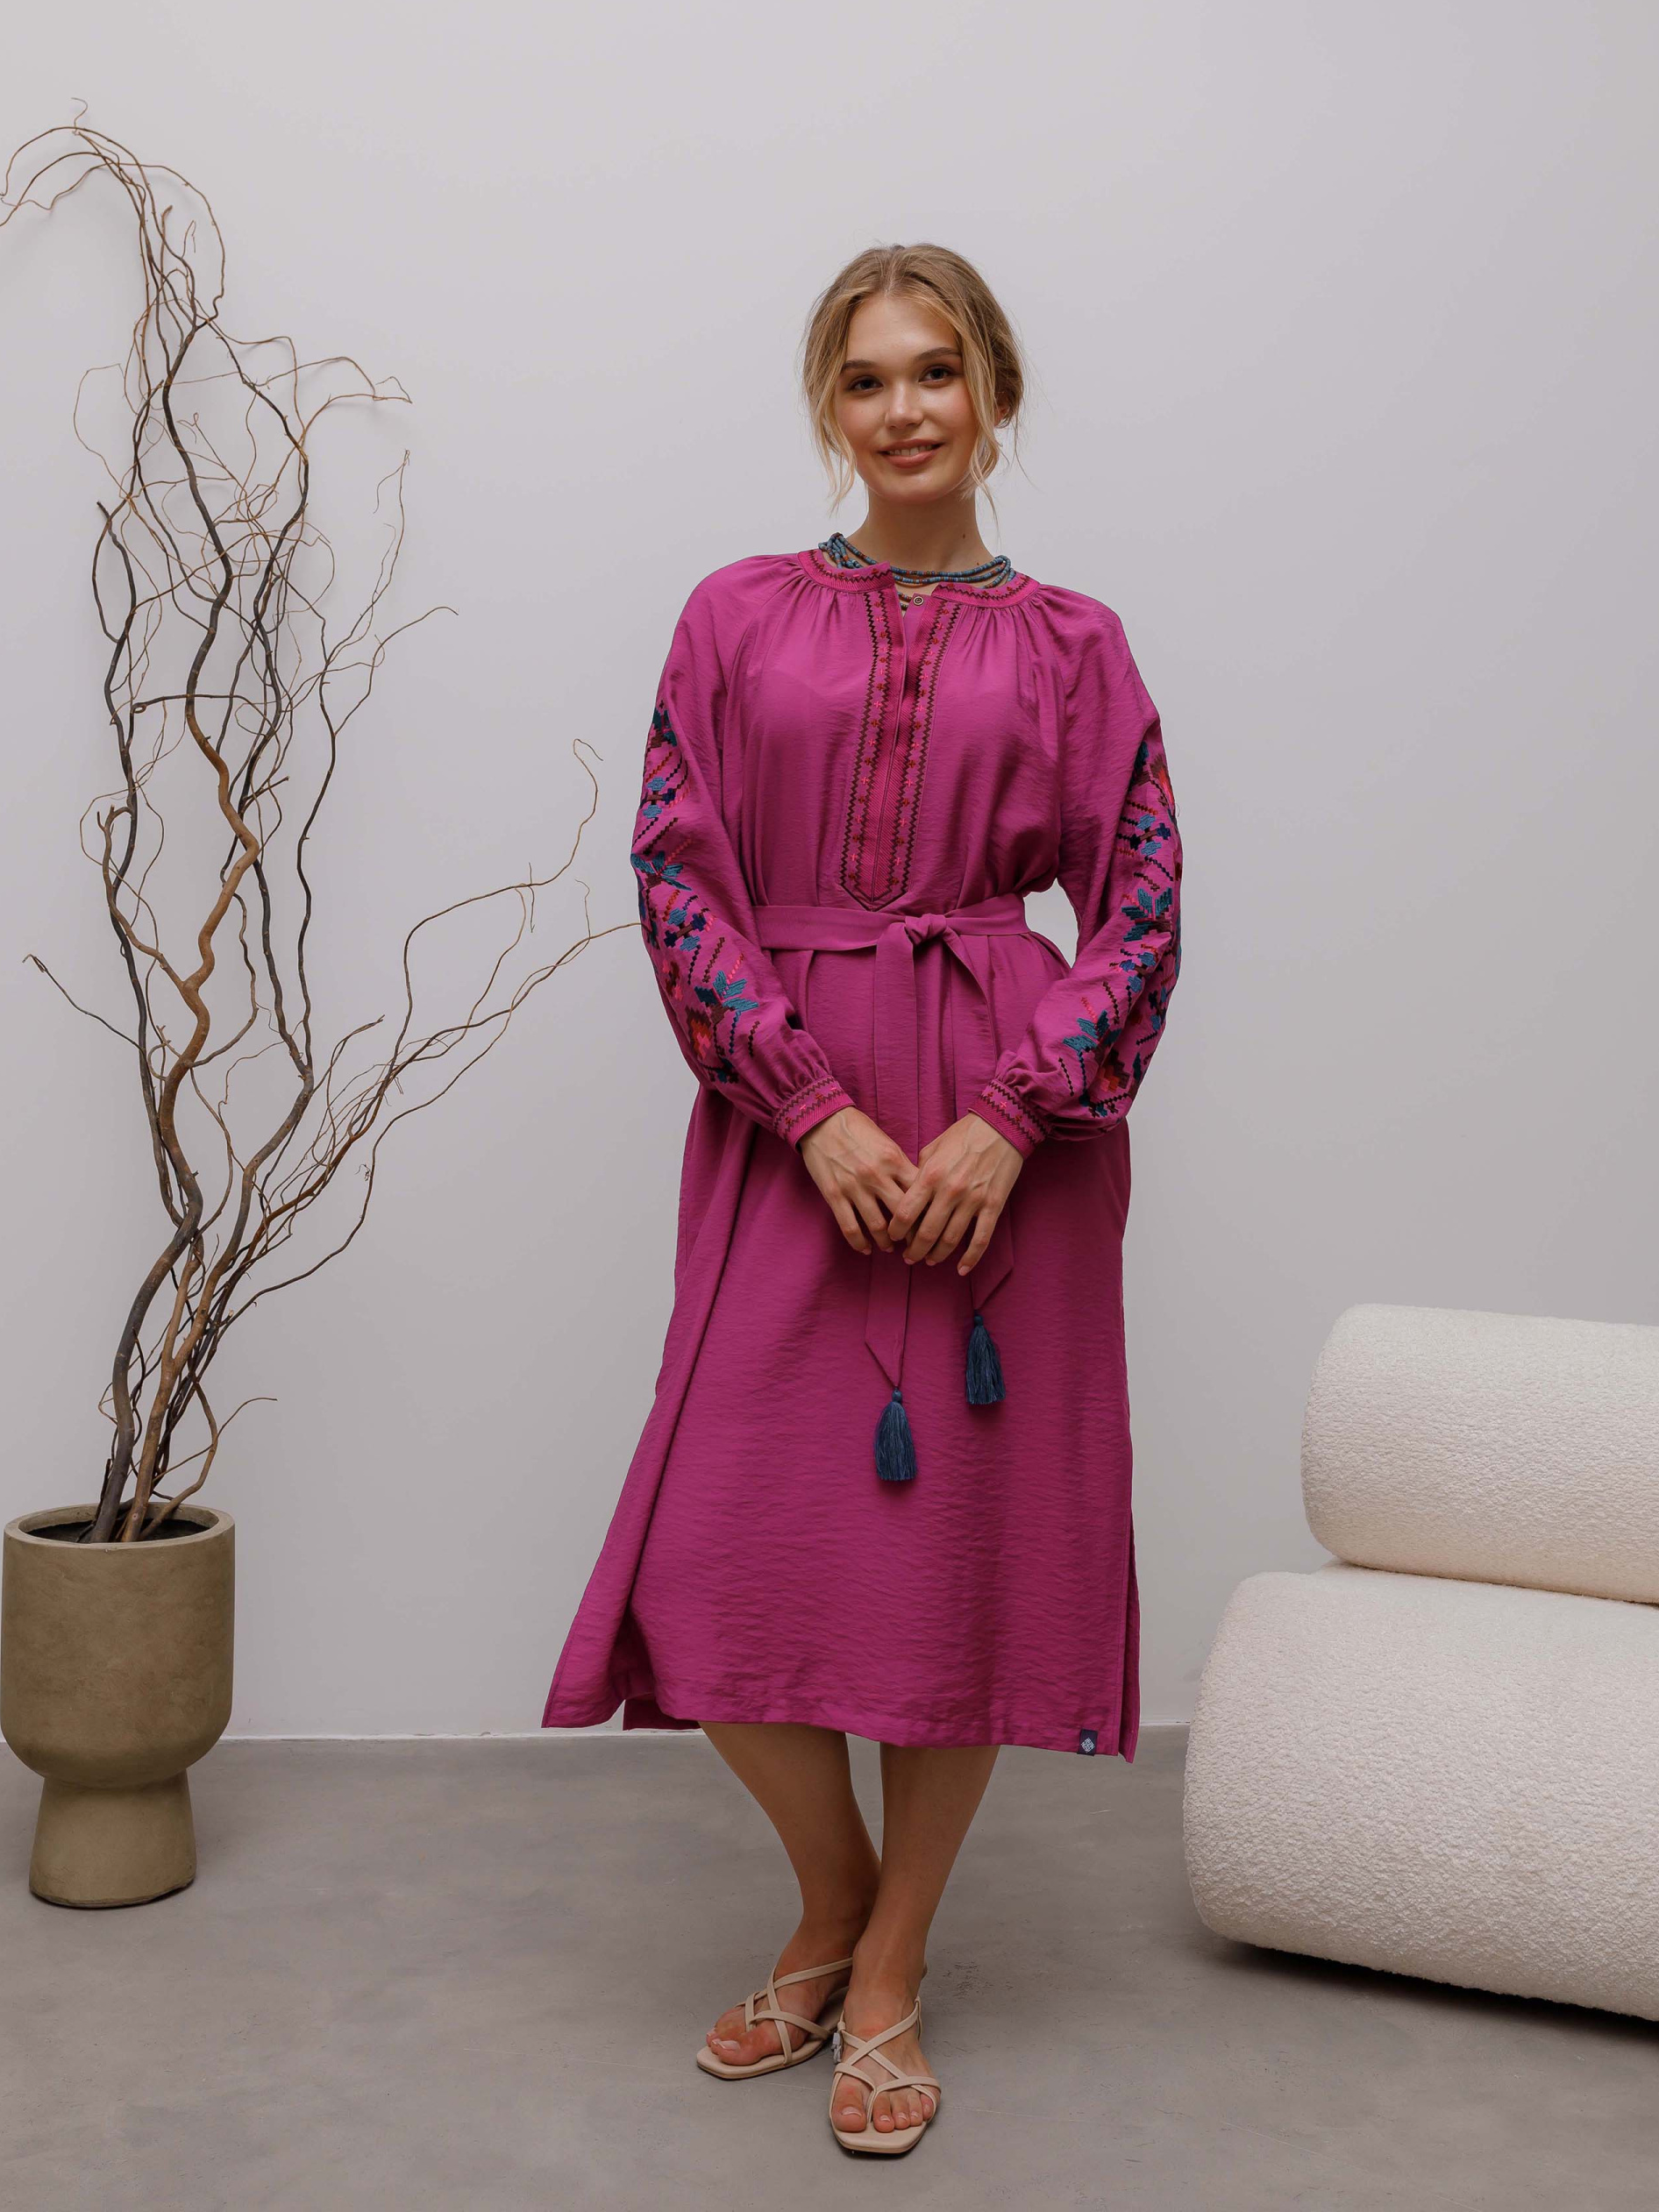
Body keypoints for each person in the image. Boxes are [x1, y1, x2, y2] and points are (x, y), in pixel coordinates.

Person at [542, 242, 1184, 2156]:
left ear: (995, 393)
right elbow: (676, 878)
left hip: (1006, 1134)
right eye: (864, 377)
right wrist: (806, 1109)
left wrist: (1009, 1120)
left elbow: (1141, 907)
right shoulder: (734, 617)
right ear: (826, 407)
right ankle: (830, 1898)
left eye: (936, 370)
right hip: (787, 1114)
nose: (903, 409)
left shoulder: (1075, 646)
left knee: (958, 1564)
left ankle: (884, 1969)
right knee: (709, 1544)